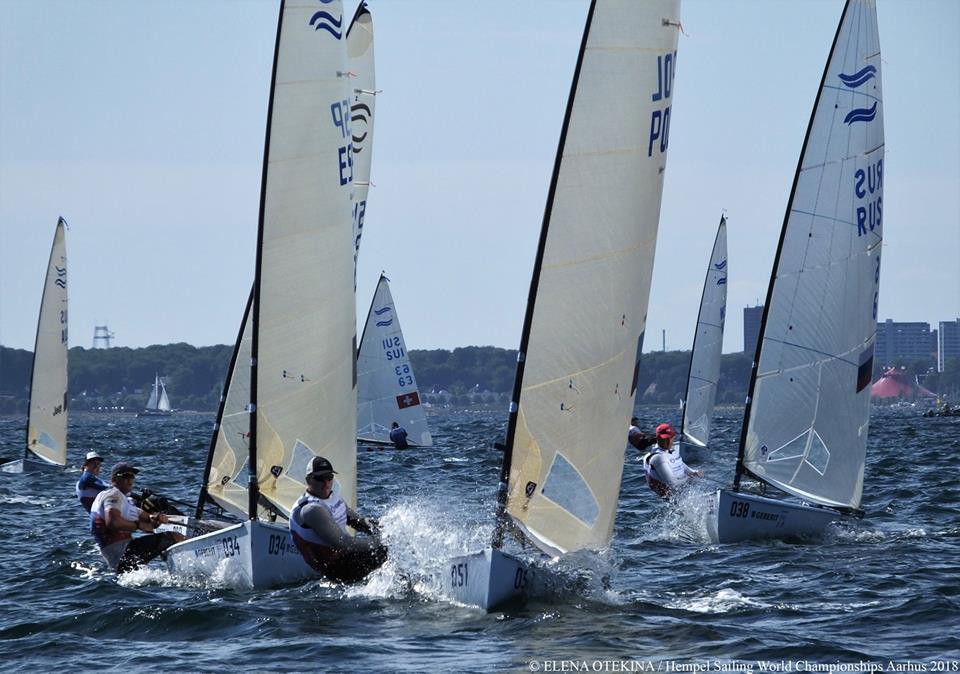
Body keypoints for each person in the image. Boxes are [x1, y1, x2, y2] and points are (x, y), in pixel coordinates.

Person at [289, 456, 387, 583]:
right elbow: (342, 542)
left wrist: (386, 526)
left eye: (329, 477)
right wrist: (380, 541)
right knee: (388, 551)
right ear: (308, 480)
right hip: (337, 568)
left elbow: (358, 522)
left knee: (398, 547)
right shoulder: (311, 509)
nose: (326, 483)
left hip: (348, 557)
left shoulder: (333, 498)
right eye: (320, 478)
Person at [89, 462, 185, 573]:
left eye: (132, 476)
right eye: (125, 476)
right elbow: (113, 522)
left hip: (124, 559)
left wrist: (157, 519)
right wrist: (138, 525)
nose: (130, 480)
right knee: (175, 536)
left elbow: (148, 520)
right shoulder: (112, 495)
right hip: (124, 556)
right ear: (114, 479)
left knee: (166, 537)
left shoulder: (124, 501)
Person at [643, 423, 702, 499]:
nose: (668, 442)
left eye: (670, 438)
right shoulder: (657, 457)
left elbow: (683, 467)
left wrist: (694, 472)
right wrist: (690, 477)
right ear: (658, 439)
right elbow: (672, 483)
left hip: (682, 489)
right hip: (673, 496)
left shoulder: (672, 451)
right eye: (665, 439)